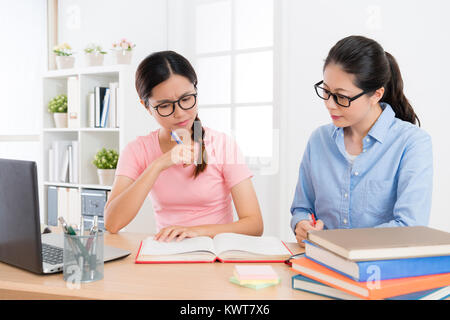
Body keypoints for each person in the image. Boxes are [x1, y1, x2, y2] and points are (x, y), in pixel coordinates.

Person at [104, 51, 263, 241]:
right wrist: (159, 164)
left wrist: (197, 231)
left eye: (186, 99)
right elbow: (112, 223)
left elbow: (254, 224)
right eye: (165, 106)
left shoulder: (222, 145)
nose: (179, 113)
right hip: (169, 253)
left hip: (216, 254)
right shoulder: (137, 150)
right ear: (146, 106)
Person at [291, 35, 433, 246]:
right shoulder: (319, 140)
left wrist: (338, 243)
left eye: (341, 96)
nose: (330, 104)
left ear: (376, 94)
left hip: (383, 271)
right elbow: (302, 208)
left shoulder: (412, 143)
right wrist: (301, 225)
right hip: (321, 265)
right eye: (326, 91)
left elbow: (410, 227)